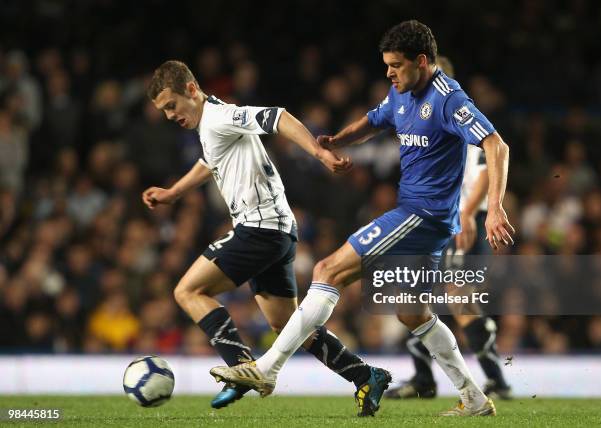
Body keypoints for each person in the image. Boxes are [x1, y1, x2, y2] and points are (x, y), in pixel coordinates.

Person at [211, 20, 515, 417]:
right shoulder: (400, 91)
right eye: (386, 65)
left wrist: (494, 206)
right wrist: (338, 140)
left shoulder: (448, 99)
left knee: (327, 269)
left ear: (421, 61)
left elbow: (497, 145)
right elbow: (375, 120)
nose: (388, 73)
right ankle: (474, 398)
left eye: (396, 65)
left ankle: (268, 369)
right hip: (427, 221)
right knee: (412, 312)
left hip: (421, 215)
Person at [143, 60, 391, 415]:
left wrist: (319, 152)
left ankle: (242, 367)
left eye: (171, 105)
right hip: (276, 230)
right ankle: (366, 376)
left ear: (192, 91)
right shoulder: (213, 122)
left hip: (259, 228)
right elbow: (208, 160)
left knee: (188, 290)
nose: (169, 115)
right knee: (290, 326)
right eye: (163, 110)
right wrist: (174, 193)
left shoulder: (219, 117)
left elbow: (278, 117)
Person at [385, 56, 512, 401]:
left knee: (458, 300)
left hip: (459, 227)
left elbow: (486, 164)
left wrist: (469, 213)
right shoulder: (422, 119)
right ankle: (425, 378)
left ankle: (495, 380)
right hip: (438, 224)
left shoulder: (458, 114)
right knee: (414, 295)